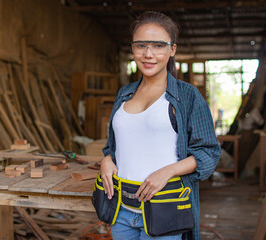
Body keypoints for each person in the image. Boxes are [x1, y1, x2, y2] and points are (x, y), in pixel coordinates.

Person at [100, 11, 221, 240]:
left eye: (158, 45)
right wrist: (106, 159)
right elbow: (112, 146)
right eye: (141, 45)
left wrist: (168, 171)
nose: (148, 54)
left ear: (172, 49)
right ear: (133, 48)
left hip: (165, 210)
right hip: (120, 211)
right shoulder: (124, 94)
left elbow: (209, 153)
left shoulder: (187, 97)